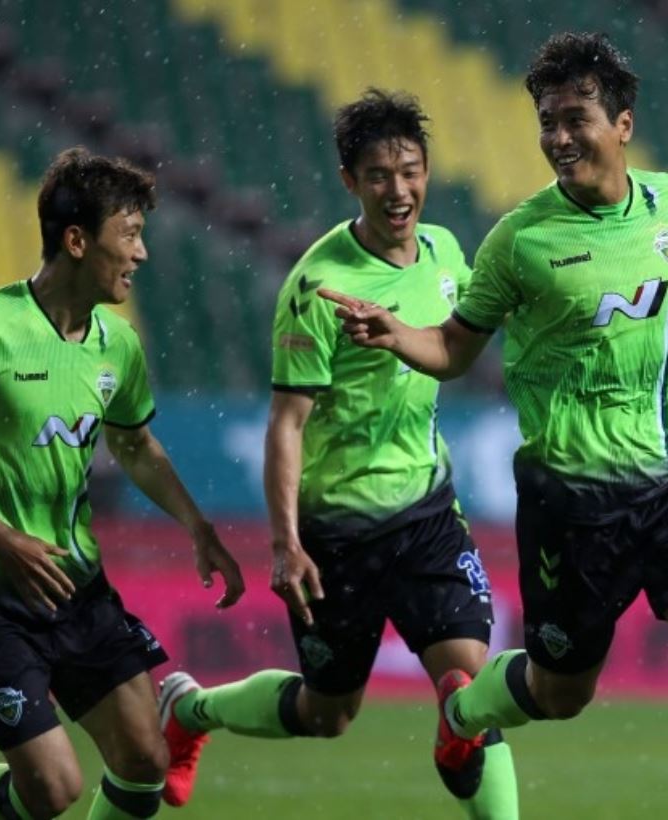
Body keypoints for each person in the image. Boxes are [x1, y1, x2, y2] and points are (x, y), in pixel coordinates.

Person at [321, 33, 668, 820]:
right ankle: (462, 715)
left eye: (573, 118)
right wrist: (396, 336)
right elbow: (453, 346)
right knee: (559, 694)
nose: (557, 137)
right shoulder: (520, 239)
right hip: (574, 505)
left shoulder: (667, 203)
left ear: (622, 124)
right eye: (546, 121)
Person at [157, 89, 519, 819]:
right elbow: (285, 425)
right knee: (328, 713)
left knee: (468, 689)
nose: (400, 190)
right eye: (379, 175)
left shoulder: (448, 250)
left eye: (411, 171)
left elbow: (451, 349)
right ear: (349, 180)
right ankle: (190, 712)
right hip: (336, 535)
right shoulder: (317, 288)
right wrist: (286, 544)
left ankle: (462, 745)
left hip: (424, 512)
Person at [0, 147, 245, 820]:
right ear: (75, 240)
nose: (142, 254)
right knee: (53, 790)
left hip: (76, 588)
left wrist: (198, 528)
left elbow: (135, 444)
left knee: (145, 763)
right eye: (129, 235)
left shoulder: (115, 344)